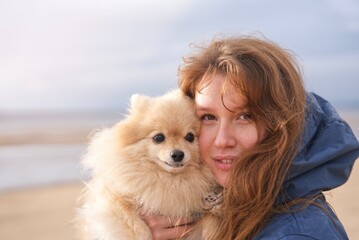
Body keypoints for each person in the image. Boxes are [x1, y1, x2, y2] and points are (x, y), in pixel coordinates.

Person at [141, 35, 359, 239]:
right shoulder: (229, 204)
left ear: (282, 123)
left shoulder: (294, 233)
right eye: (208, 117)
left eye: (245, 116)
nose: (222, 140)